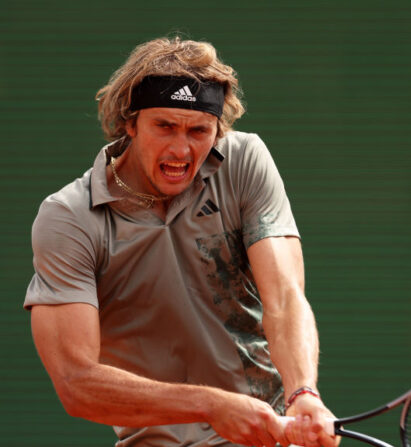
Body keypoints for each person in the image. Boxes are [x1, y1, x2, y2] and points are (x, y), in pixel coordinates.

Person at [24, 36, 337, 447]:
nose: (180, 148)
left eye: (199, 130)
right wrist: (210, 405)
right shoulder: (69, 217)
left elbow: (284, 295)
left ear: (218, 130)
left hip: (271, 433)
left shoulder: (245, 161)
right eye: (165, 126)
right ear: (130, 122)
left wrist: (303, 392)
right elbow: (76, 382)